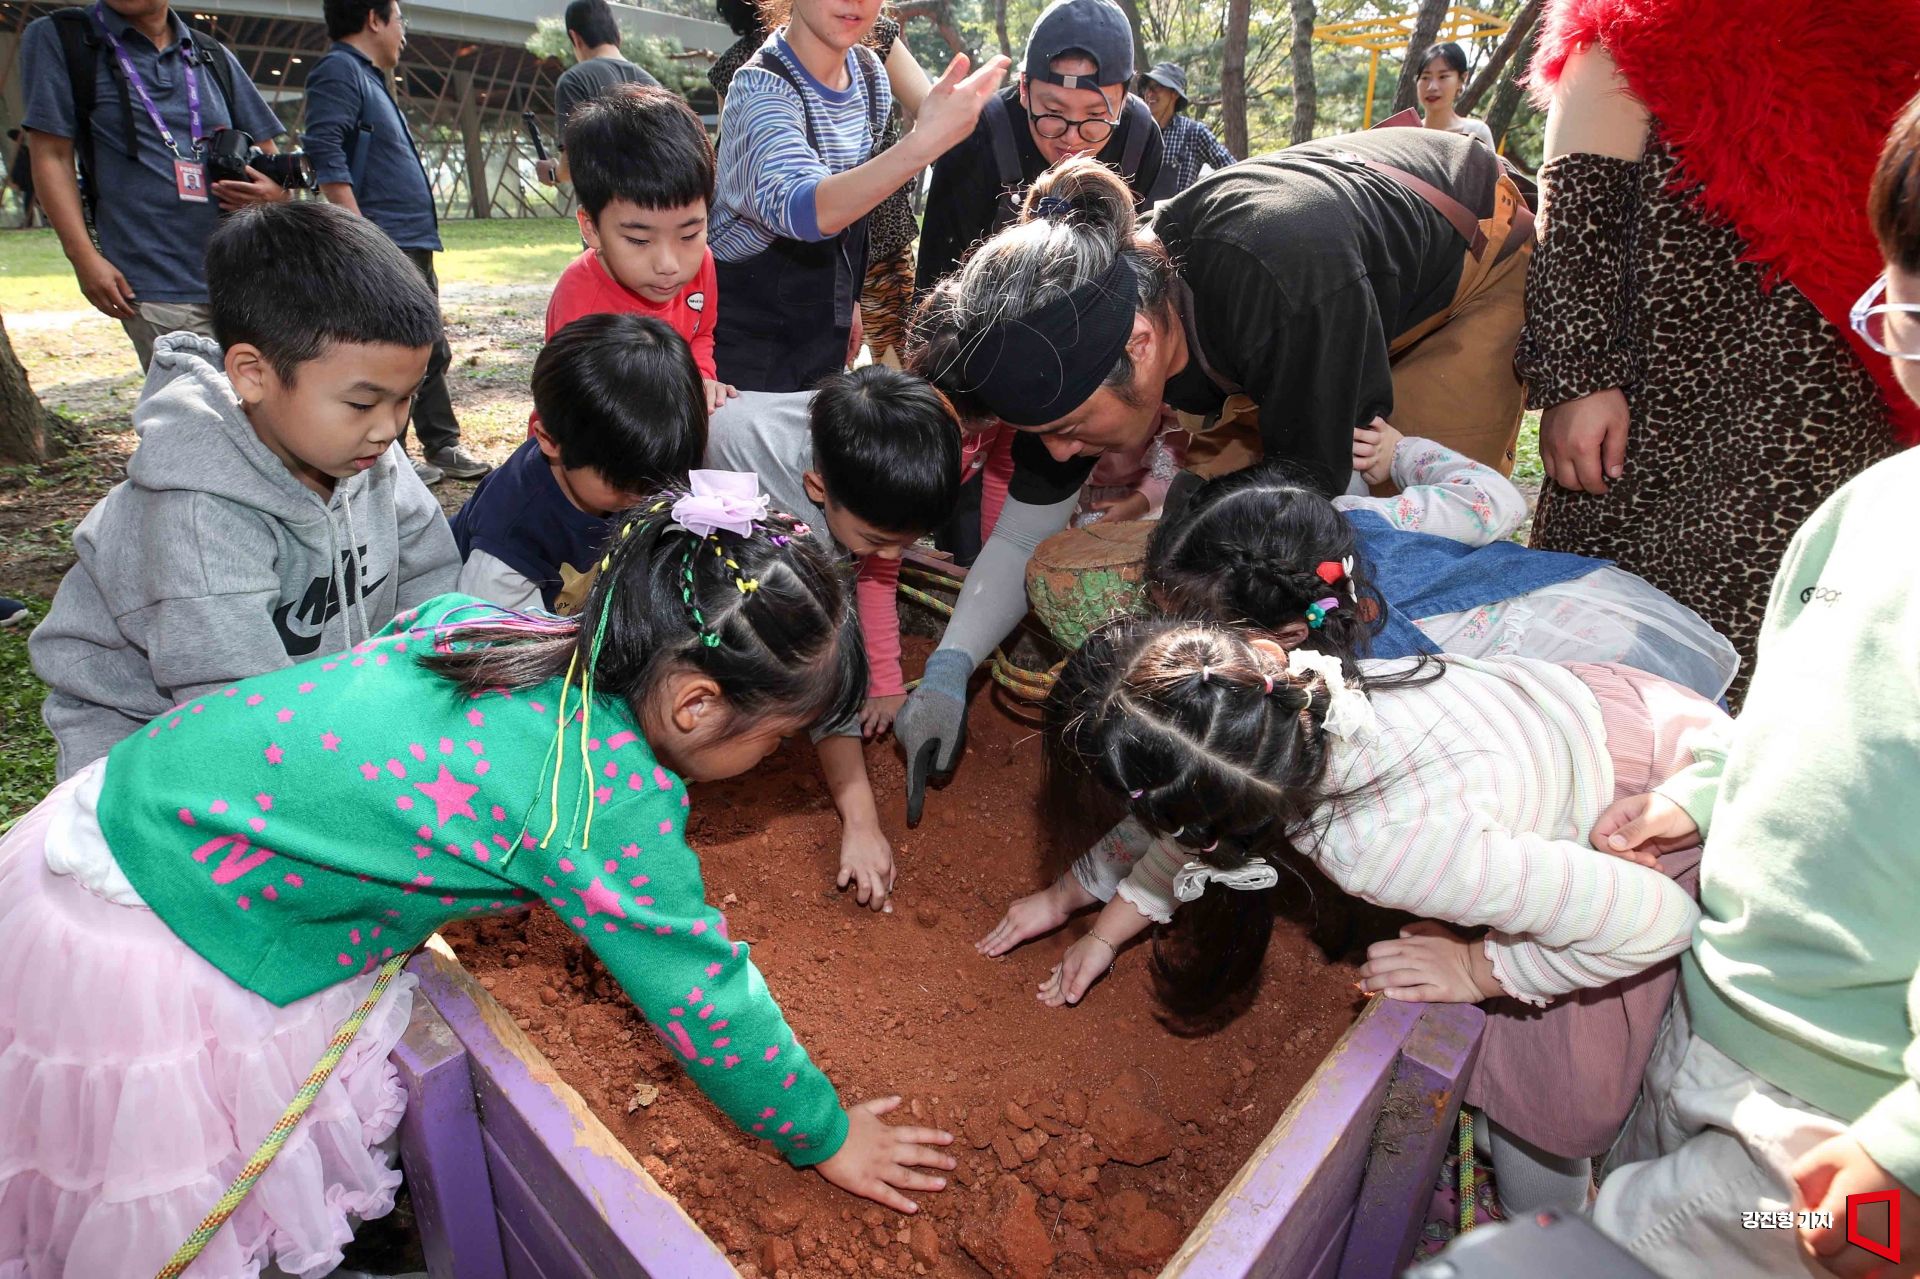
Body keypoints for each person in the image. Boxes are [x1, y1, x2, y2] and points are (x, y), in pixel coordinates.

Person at [0, 493, 961, 1277]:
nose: (775, 756)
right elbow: (702, 989)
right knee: (161, 1181)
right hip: (165, 925)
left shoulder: (501, 625)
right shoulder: (595, 796)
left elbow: (419, 684)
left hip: (124, 807)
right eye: (777, 738)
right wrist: (825, 1135)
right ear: (696, 702)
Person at [1022, 616, 1726, 1215]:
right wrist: (1109, 932)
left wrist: (1480, 966)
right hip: (1598, 717)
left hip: (1645, 828)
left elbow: (1656, 919)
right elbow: (1204, 808)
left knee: (1540, 1104)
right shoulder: (1292, 688)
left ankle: (1559, 1234)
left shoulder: (1385, 851)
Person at [898, 147, 1534, 811]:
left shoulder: (1276, 283)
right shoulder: (1080, 342)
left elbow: (1317, 501)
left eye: (1072, 428)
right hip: (1325, 311)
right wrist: (949, 667)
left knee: (1385, 561)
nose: (1060, 454)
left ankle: (1422, 792)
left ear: (1140, 346)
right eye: (1044, 435)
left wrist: (1188, 518)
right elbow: (1023, 532)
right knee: (1207, 532)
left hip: (1461, 280)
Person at [1579, 90, 1920, 1279]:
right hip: (1707, 1019)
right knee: (1627, 1197)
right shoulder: (1867, 509)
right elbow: (1787, 707)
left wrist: (1906, 1157)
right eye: (1913, 306)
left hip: (1838, 1140)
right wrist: (1709, 791)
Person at [1516, 0, 1913, 707]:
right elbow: (1578, 206)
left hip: (1845, 399)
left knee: (1798, 635)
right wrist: (1579, 377)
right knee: (1610, 636)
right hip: (1662, 391)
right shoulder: (1642, 16)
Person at [29, 201, 459, 781]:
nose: (388, 428)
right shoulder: (197, 515)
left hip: (311, 717)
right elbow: (238, 716)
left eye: (405, 398)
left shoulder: (362, 452)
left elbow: (428, 583)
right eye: (362, 402)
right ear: (252, 372)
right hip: (154, 750)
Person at [1136, 421, 1736, 700]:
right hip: (1575, 600)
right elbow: (1496, 502)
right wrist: (1406, 456)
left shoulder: (1374, 678)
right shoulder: (1361, 515)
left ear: (1286, 635)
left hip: (1598, 657)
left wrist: (1404, 452)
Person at [703, 369, 961, 906]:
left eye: (907, 542)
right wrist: (862, 821)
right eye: (877, 540)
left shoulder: (857, 429)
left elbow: (870, 566)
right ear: (818, 489)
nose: (892, 556)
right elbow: (823, 658)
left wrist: (886, 675)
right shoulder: (793, 515)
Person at [707, 0, 1007, 392]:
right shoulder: (760, 91)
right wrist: (922, 144)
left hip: (821, 333)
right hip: (744, 346)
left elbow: (851, 216)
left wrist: (847, 301)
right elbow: (805, 208)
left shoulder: (868, 74)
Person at [19, 0, 290, 371]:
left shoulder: (209, 53)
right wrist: (83, 258)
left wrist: (274, 196)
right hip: (155, 280)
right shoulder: (65, 37)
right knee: (198, 418)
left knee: (272, 415)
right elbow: (51, 155)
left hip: (247, 279)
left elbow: (269, 161)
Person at [306, 0, 488, 489]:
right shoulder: (339, 71)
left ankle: (441, 443)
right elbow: (325, 151)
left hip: (407, 239)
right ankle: (395, 455)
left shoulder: (368, 77)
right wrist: (362, 239)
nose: (403, 32)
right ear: (374, 18)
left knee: (429, 345)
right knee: (395, 348)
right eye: (400, 19)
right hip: (384, 241)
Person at [454, 314, 708, 614]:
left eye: (660, 482)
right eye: (623, 486)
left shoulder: (622, 465)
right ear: (550, 441)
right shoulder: (510, 542)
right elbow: (493, 644)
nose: (644, 499)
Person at [914, 0, 1169, 296]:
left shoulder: (1139, 140)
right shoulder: (976, 138)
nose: (1072, 138)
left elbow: (1143, 275)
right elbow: (935, 287)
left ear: (1124, 99)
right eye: (1053, 112)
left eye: (1096, 115)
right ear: (1024, 89)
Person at [545, 84, 730, 411]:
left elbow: (701, 335)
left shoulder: (702, 263)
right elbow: (571, 407)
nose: (669, 264)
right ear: (591, 228)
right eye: (639, 240)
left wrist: (700, 376)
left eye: (689, 234)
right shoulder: (579, 300)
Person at [536, 0, 660, 187]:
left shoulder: (574, 80)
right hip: (657, 205)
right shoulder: (655, 85)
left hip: (608, 211)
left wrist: (553, 173)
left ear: (575, 37)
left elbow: (574, 164)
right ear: (618, 36)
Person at [1138, 61, 1234, 193]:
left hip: (1176, 214)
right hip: (1136, 213)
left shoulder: (1194, 133)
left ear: (1175, 94)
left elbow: (1232, 169)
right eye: (1147, 88)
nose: (1149, 93)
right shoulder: (1137, 130)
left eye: (1157, 87)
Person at [1416, 41, 1495, 150]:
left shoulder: (1477, 133)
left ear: (1461, 79)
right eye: (1425, 77)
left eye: (1443, 77)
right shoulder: (1406, 135)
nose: (1432, 87)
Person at [6, 129, 39, 228]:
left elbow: (25, 167)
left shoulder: (24, 151)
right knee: (30, 202)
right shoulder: (20, 151)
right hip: (28, 182)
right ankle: (28, 222)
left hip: (31, 181)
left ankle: (28, 223)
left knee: (31, 202)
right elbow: (17, 168)